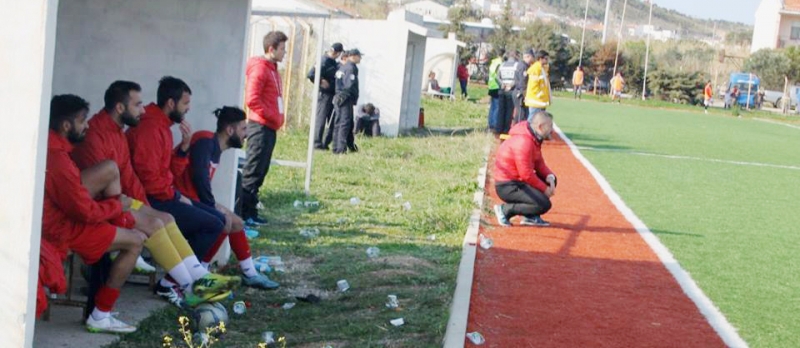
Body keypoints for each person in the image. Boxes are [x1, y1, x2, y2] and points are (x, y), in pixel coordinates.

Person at [73, 81, 237, 308]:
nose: (143, 109)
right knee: (166, 223)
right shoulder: (109, 132)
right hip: (106, 206)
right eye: (138, 104)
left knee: (166, 218)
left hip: (129, 199)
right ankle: (188, 285)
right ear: (120, 108)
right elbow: (116, 183)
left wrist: (148, 202)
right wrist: (165, 196)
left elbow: (134, 175)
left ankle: (197, 278)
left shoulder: (123, 131)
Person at [127, 77, 241, 301]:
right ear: (171, 103)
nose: (188, 109)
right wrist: (176, 195)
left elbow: (167, 171)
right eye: (185, 104)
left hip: (162, 194)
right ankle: (178, 282)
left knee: (217, 220)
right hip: (149, 199)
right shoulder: (151, 127)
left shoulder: (162, 126)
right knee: (211, 223)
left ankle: (185, 280)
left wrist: (183, 149)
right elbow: (149, 179)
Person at [44, 94, 143, 333]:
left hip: (61, 216)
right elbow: (84, 212)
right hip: (62, 228)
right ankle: (100, 315)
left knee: (109, 167)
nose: (87, 125)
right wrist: (118, 207)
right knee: (136, 242)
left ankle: (120, 227)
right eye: (82, 120)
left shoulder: (53, 146)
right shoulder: (58, 159)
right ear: (66, 126)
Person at [174, 106, 280, 289]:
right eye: (243, 129)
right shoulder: (205, 141)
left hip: (194, 199)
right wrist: (211, 206)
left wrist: (211, 204)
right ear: (230, 130)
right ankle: (201, 272)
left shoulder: (215, 146)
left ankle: (250, 274)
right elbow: (199, 177)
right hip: (179, 199)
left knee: (237, 222)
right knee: (223, 221)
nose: (246, 134)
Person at [239, 31, 288, 224]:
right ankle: (244, 213)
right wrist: (272, 115)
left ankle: (251, 211)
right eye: (282, 49)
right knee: (253, 170)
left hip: (270, 127)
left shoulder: (272, 69)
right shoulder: (260, 69)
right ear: (271, 49)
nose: (284, 53)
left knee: (261, 170)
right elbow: (252, 99)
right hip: (260, 127)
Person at [492, 110, 557, 227]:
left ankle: (530, 216)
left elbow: (539, 163)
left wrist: (550, 177)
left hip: (516, 181)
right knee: (543, 204)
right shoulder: (524, 142)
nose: (552, 130)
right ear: (541, 127)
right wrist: (544, 189)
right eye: (550, 126)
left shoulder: (533, 138)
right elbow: (526, 174)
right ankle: (505, 210)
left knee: (551, 180)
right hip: (508, 185)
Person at [308, 42, 344, 151]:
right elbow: (311, 74)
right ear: (337, 53)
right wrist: (320, 81)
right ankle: (316, 143)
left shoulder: (333, 62)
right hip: (324, 94)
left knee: (332, 119)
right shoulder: (323, 61)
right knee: (321, 118)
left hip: (331, 94)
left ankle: (326, 142)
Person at [332, 48, 363, 154]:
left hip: (338, 97)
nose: (360, 58)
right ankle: (341, 149)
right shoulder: (351, 68)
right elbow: (349, 85)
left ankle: (336, 147)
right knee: (344, 123)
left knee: (338, 123)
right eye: (359, 56)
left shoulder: (343, 67)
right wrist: (347, 96)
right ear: (353, 56)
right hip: (345, 98)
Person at [496, 50, 519, 134]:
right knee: (509, 110)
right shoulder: (517, 65)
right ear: (515, 56)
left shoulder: (502, 65)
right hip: (511, 91)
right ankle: (506, 129)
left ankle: (499, 128)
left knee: (501, 110)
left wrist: (502, 84)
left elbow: (497, 77)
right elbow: (517, 78)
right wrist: (511, 86)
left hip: (502, 90)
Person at [524, 50, 551, 120]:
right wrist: (540, 94)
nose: (547, 60)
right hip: (536, 100)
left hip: (540, 100)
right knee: (532, 119)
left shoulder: (542, 68)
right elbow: (534, 85)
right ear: (540, 59)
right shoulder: (536, 69)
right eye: (546, 58)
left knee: (539, 120)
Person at [514, 49, 533, 125]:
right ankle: (518, 131)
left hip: (521, 91)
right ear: (528, 56)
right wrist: (524, 94)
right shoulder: (523, 66)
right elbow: (522, 82)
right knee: (521, 115)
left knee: (524, 114)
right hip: (520, 92)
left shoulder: (525, 66)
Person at [487, 49, 504, 133]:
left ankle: (490, 123)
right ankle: (494, 124)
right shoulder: (500, 63)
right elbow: (498, 75)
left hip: (491, 85)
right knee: (497, 106)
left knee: (492, 106)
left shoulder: (493, 62)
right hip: (497, 85)